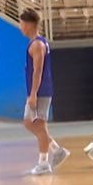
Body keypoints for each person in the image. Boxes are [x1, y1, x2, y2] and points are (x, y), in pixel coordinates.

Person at [19, 9, 68, 175]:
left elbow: (37, 71)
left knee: (31, 123)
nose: (20, 27)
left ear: (29, 24)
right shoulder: (37, 43)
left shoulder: (37, 44)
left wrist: (33, 94)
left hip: (40, 91)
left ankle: (44, 162)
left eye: (21, 23)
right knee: (39, 125)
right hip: (41, 90)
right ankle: (55, 151)